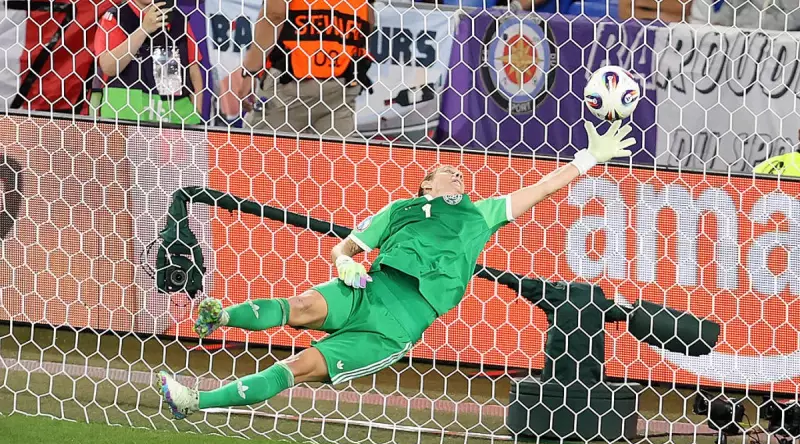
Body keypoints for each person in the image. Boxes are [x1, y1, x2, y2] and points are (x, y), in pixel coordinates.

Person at [157, 121, 635, 420]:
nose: (459, 178)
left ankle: (196, 402)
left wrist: (588, 158)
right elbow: (347, 246)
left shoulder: (479, 215)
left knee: (298, 367)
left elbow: (544, 187)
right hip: (368, 289)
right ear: (426, 182)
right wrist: (344, 262)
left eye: (463, 176)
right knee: (300, 306)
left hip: (394, 328)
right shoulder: (398, 211)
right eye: (448, 173)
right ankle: (217, 316)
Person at [227, 0, 373, 136]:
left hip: (291, 81)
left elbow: (274, 14)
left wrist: (250, 71)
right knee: (332, 158)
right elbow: (368, 15)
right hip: (342, 78)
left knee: (262, 156)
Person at [94, 0, 204, 124]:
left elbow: (193, 71)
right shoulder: (116, 16)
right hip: (124, 122)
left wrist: (197, 113)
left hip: (173, 124)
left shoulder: (177, 19)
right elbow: (109, 68)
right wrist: (144, 29)